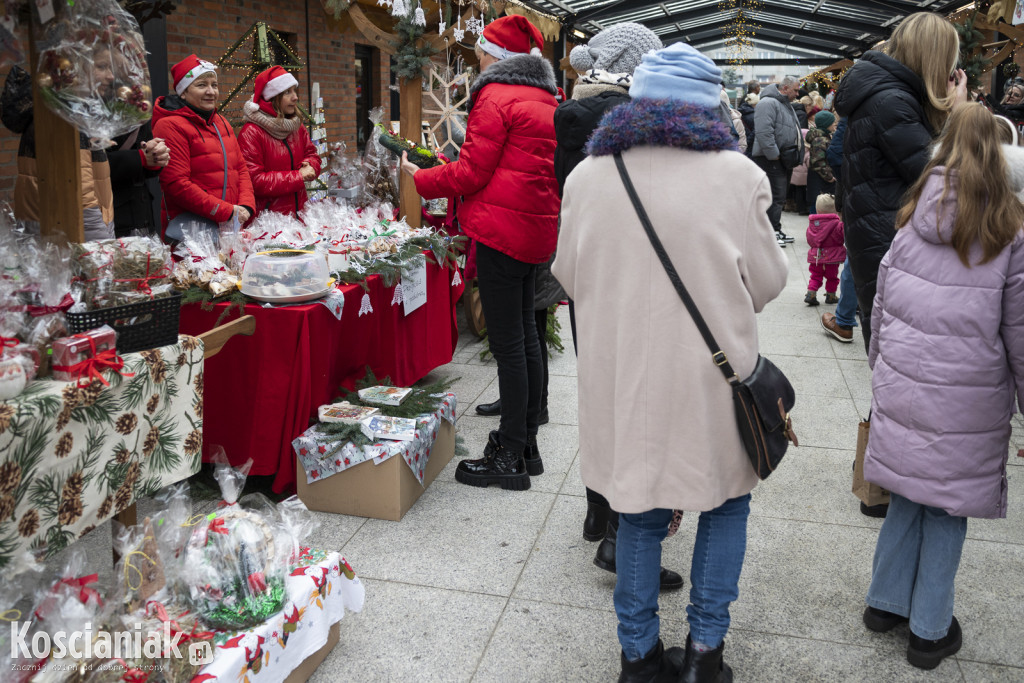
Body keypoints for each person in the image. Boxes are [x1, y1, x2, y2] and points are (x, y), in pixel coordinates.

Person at [553, 43, 787, 682]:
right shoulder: (739, 177)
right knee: (726, 502)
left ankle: (638, 657)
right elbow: (767, 283)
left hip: (623, 372)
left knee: (637, 510)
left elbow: (568, 273)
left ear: (637, 100)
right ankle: (705, 654)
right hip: (713, 377)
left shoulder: (587, 176)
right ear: (710, 106)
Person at [861, 103, 1024, 671]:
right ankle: (929, 630)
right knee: (946, 507)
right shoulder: (1011, 231)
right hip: (967, 397)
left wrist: (880, 367)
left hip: (904, 383)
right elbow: (1020, 333)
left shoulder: (912, 215)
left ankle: (883, 604)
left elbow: (881, 305)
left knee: (908, 492)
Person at [552, 21, 684, 593]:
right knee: (643, 405)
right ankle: (623, 533)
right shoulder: (640, 122)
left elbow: (572, 216)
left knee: (602, 392)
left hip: (593, 284)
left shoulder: (573, 118)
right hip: (645, 285)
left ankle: (598, 512)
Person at [401, 15, 558, 491]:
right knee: (526, 338)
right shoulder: (547, 98)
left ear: (497, 57)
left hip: (500, 231)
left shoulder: (495, 96)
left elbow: (472, 172)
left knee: (509, 344)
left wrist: (420, 176)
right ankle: (526, 444)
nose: (478, 59)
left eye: (482, 52)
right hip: (534, 231)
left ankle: (509, 453)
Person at [834, 12, 967, 351]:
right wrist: (959, 114)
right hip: (891, 246)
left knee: (892, 366)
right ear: (935, 58)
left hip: (878, 240)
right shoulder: (893, 102)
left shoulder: (885, 94)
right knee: (897, 367)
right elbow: (941, 178)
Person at [1, 62, 116, 240]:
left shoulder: (71, 111)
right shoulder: (64, 116)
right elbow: (81, 201)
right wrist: (104, 249)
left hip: (61, 237)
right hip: (74, 241)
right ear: (75, 70)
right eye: (102, 66)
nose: (111, 76)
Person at [152, 54, 255, 240]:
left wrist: (246, 206)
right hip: (192, 233)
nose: (211, 91)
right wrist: (226, 211)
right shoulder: (169, 125)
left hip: (229, 227)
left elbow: (240, 168)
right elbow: (177, 185)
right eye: (201, 85)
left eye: (214, 85)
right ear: (183, 92)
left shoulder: (221, 122)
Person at [238, 66, 321, 222]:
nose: (295, 97)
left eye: (294, 91)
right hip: (269, 223)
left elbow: (312, 154)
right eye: (287, 92)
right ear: (272, 97)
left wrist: (311, 165)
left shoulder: (296, 126)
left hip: (300, 217)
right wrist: (298, 176)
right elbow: (253, 181)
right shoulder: (251, 132)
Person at [752, 75, 803, 246]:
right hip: (771, 159)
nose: (798, 93)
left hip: (781, 159)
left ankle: (775, 228)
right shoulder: (768, 103)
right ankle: (769, 233)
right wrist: (774, 154)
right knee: (774, 196)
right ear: (785, 88)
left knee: (779, 197)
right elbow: (764, 132)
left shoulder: (783, 104)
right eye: (795, 90)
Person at [803, 194, 845, 306]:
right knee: (832, 277)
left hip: (816, 256)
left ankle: (811, 293)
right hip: (832, 258)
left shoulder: (812, 225)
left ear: (817, 209)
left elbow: (809, 239)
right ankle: (831, 295)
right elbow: (843, 236)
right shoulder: (837, 224)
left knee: (815, 276)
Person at [805, 110, 837, 208]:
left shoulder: (825, 137)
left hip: (821, 181)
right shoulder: (820, 140)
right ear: (826, 124)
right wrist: (829, 176)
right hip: (820, 182)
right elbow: (818, 162)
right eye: (833, 122)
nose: (835, 123)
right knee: (818, 209)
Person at [737, 92, 757, 157]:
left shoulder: (739, 112)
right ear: (754, 103)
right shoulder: (755, 115)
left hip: (740, 143)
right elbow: (755, 132)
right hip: (751, 146)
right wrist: (748, 142)